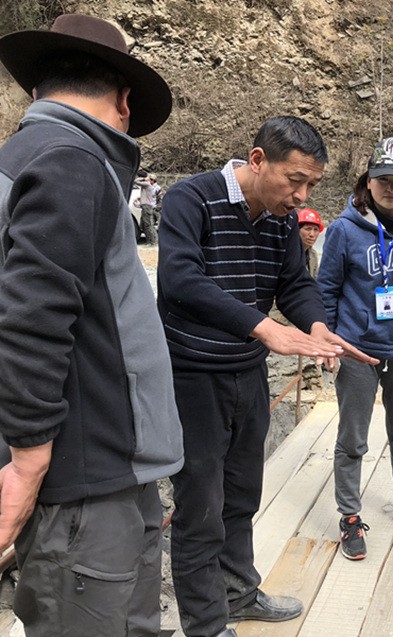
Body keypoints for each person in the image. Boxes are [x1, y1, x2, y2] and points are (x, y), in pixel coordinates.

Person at [157, 116, 376, 637]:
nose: (301, 196)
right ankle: (206, 625)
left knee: (241, 494)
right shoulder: (192, 198)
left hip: (247, 373)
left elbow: (294, 283)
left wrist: (317, 326)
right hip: (194, 376)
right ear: (257, 161)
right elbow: (180, 279)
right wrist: (264, 328)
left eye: (311, 185)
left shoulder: (281, 219)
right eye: (294, 180)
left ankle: (238, 595)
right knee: (200, 505)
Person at [0, 14, 183, 636]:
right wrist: (27, 464)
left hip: (102, 473)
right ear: (125, 101)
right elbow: (31, 319)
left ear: (36, 91)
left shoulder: (30, 156)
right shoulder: (71, 160)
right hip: (83, 482)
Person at [317, 137, 393, 561]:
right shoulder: (344, 230)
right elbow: (326, 289)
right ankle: (349, 514)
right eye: (383, 179)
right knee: (352, 437)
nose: (391, 188)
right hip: (356, 349)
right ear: (368, 181)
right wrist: (329, 342)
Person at [135, 170, 162, 245]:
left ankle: (153, 241)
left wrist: (144, 179)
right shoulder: (149, 186)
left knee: (149, 225)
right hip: (146, 206)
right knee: (144, 225)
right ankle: (150, 241)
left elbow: (136, 181)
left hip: (148, 207)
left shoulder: (147, 185)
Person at [297, 207, 324, 278]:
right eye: (308, 229)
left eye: (316, 230)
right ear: (297, 229)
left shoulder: (313, 255)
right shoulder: (288, 253)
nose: (312, 234)